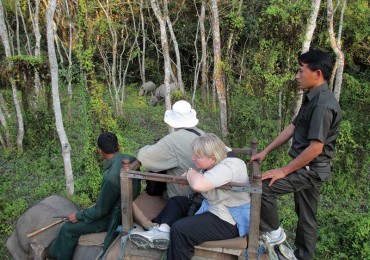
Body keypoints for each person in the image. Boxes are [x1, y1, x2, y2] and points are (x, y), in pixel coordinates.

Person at [251, 49, 341, 260]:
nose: (297, 76)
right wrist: (265, 151)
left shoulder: (323, 105)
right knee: (307, 217)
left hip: (311, 169)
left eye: (301, 72)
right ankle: (303, 256)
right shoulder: (312, 98)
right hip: (310, 167)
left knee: (264, 188)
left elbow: (316, 148)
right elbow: (292, 128)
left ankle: (275, 235)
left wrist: (283, 170)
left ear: (317, 73)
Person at [130, 133, 251, 260]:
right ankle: (162, 232)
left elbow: (199, 184)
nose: (193, 159)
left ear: (213, 158)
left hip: (230, 220)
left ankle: (174, 242)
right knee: (176, 201)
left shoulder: (230, 166)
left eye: (197, 157)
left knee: (180, 230)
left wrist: (189, 172)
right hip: (212, 207)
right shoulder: (214, 160)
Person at [47, 132, 140, 260]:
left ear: (100, 151)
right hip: (128, 205)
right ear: (118, 145)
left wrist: (78, 216)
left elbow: (100, 211)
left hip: (115, 217)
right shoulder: (131, 159)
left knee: (68, 228)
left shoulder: (111, 178)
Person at [137, 100, 205, 199]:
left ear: (172, 121)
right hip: (202, 194)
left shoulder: (172, 140)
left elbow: (144, 158)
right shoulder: (202, 133)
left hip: (181, 197)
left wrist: (147, 147)